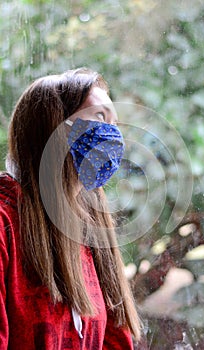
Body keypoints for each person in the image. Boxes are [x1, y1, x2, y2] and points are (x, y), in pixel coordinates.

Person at [0, 68, 141, 349]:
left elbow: (115, 338)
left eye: (115, 123)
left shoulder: (87, 224)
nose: (113, 134)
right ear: (53, 127)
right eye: (100, 117)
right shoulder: (5, 223)